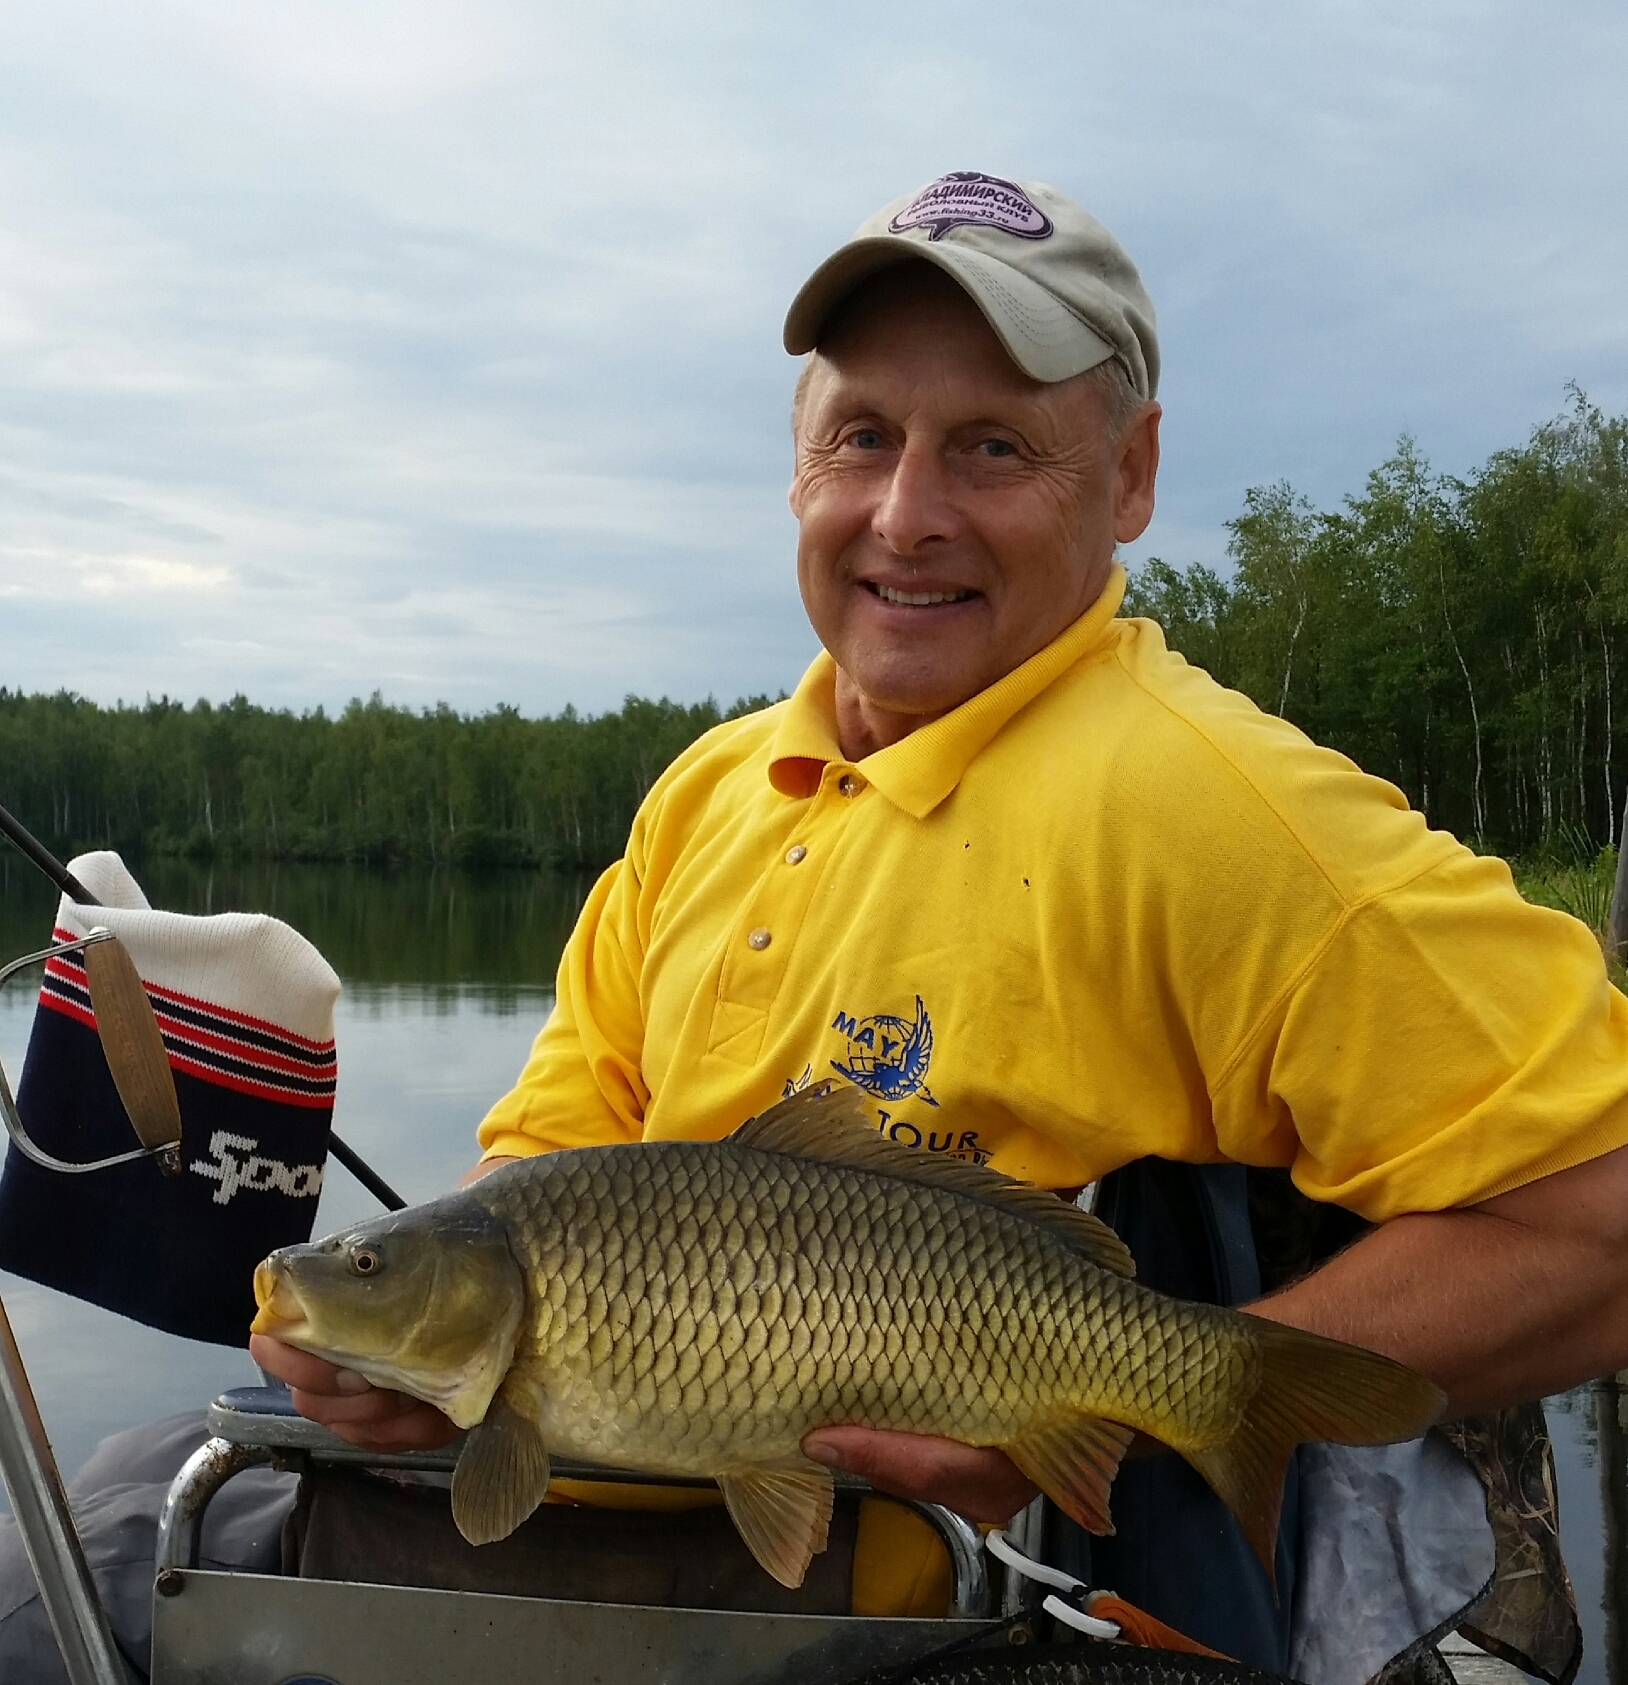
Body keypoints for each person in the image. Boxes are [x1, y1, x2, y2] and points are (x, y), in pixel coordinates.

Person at [257, 173, 1628, 1669]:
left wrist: (1145, 1413)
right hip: (568, 1563)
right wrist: (406, 1356)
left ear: (1131, 475)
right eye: (860, 437)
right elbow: (548, 1171)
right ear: (795, 467)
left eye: (991, 445)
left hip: (925, 1618)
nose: (905, 517)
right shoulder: (707, 793)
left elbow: (1600, 1224)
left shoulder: (1216, 814)